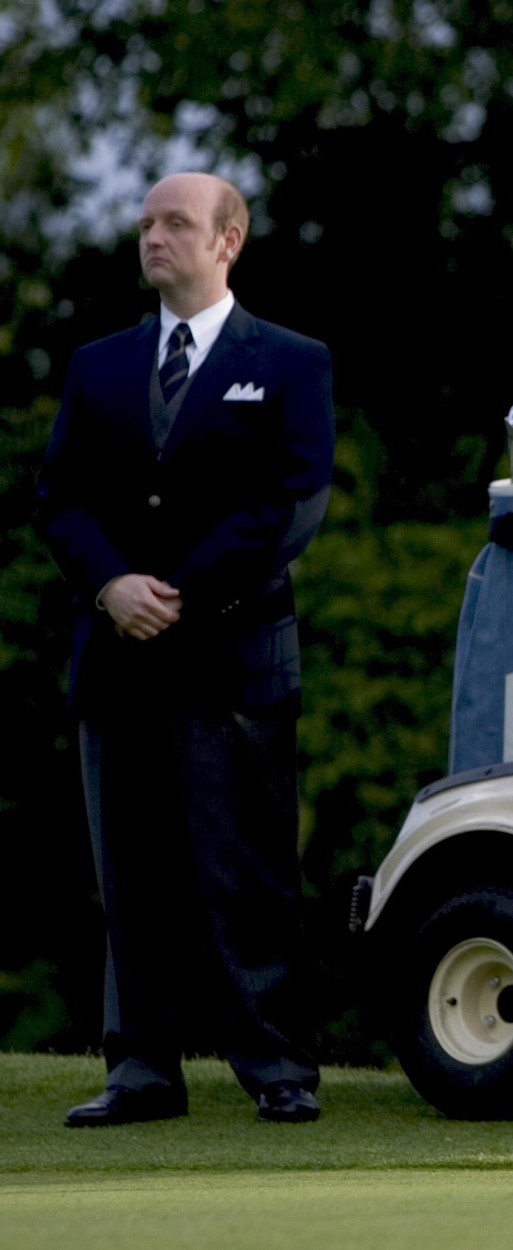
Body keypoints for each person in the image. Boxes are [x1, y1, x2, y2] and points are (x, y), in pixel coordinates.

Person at [37, 172, 334, 1127]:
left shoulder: (292, 360)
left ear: (228, 240)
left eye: (175, 223)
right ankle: (142, 1070)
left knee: (244, 871)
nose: (153, 237)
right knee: (131, 873)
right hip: (116, 653)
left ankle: (277, 1065)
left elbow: (293, 499)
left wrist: (182, 592)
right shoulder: (98, 365)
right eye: (145, 223)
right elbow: (61, 499)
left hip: (233, 654)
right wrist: (112, 586)